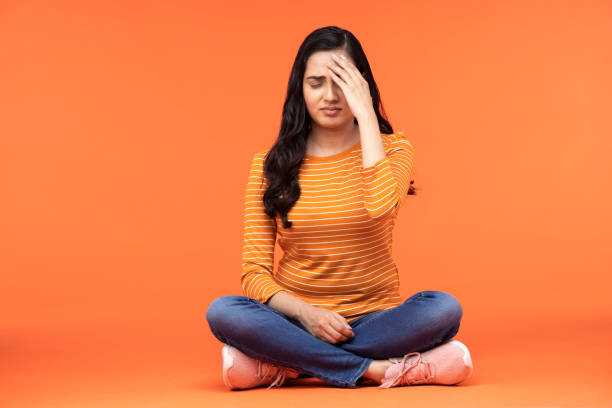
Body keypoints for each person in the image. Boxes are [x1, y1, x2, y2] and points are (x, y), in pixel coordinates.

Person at [205, 25, 473, 390]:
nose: (330, 96)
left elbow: (379, 207)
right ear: (300, 88)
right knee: (224, 311)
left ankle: (287, 364)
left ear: (362, 87)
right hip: (296, 321)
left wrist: (366, 115)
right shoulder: (268, 165)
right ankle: (377, 370)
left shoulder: (394, 150)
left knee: (443, 309)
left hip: (375, 322)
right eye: (316, 83)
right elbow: (254, 274)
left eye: (342, 83)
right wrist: (309, 315)